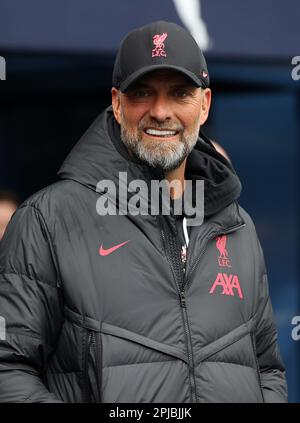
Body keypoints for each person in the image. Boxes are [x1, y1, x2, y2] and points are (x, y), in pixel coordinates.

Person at [0, 21, 287, 403]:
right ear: (117, 104)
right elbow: (8, 367)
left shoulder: (238, 227)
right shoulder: (47, 220)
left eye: (180, 93)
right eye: (143, 93)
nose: (160, 111)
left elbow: (266, 368)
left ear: (204, 105)